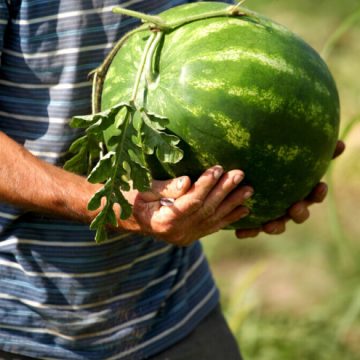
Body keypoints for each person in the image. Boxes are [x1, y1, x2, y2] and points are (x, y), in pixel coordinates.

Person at [0, 1, 344, 359]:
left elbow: (233, 44)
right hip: (24, 328)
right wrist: (108, 204)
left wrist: (278, 162)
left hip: (176, 311)